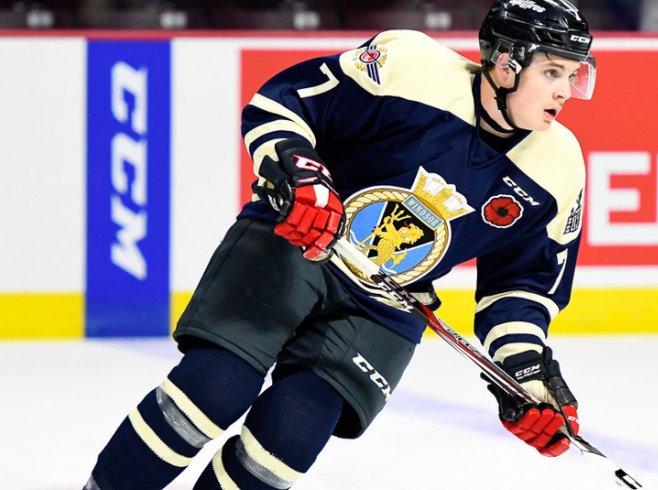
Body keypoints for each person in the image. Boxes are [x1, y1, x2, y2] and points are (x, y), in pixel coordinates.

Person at [85, 0, 595, 488]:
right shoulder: (410, 66)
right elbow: (282, 102)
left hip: (388, 303)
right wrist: (301, 175)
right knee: (212, 391)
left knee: (290, 434)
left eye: (574, 75)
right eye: (553, 72)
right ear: (505, 65)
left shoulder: (559, 167)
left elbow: (520, 289)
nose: (566, 91)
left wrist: (527, 373)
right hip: (299, 240)